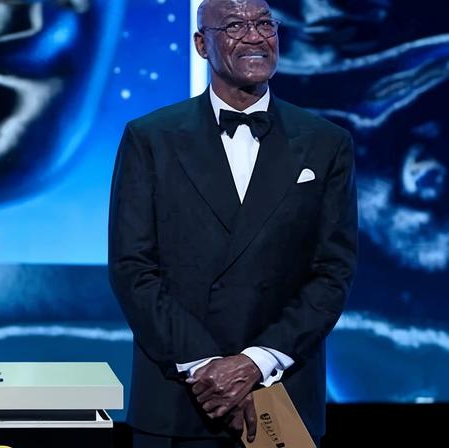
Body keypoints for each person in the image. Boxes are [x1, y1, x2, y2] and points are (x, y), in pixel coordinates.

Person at [107, 0, 357, 446]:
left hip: (281, 395)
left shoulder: (325, 143)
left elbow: (332, 272)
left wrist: (254, 363)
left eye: (265, 24)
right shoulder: (150, 138)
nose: (256, 36)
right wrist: (205, 365)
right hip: (180, 398)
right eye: (237, 25)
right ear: (202, 44)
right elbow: (133, 267)